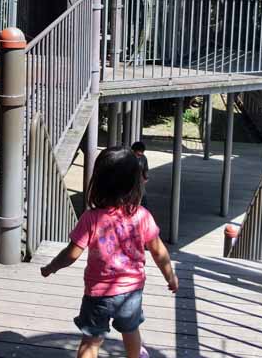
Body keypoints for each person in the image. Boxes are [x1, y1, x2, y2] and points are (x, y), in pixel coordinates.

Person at [40, 147, 178, 358]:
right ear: (135, 183)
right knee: (130, 331)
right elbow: (158, 252)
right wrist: (171, 276)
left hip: (98, 293)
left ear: (99, 183)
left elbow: (72, 254)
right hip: (131, 291)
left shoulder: (91, 218)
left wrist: (52, 267)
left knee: (91, 340)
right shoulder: (142, 216)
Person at [131, 141, 149, 208]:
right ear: (133, 151)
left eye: (141, 154)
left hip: (139, 183)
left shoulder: (143, 158)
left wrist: (145, 178)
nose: (139, 156)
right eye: (138, 154)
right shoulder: (128, 158)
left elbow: (145, 170)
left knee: (143, 202)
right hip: (130, 183)